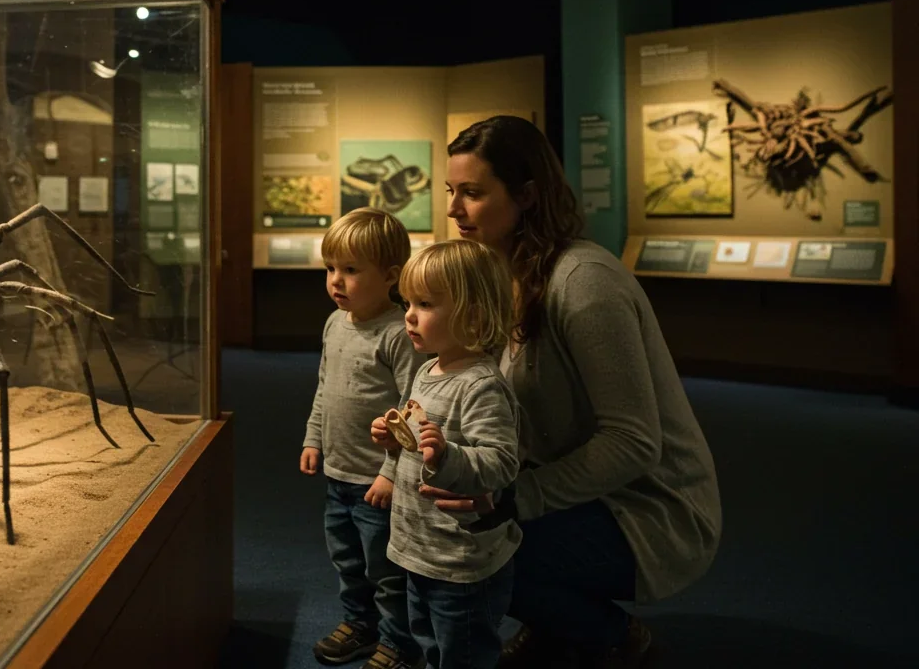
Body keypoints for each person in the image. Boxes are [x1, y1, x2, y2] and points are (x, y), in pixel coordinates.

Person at [422, 115, 722, 669]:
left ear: (528, 194)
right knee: (439, 521)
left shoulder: (584, 283)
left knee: (475, 546)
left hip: (648, 510)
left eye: (472, 193)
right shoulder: (501, 273)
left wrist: (516, 499)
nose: (453, 209)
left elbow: (633, 443)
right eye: (451, 191)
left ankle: (610, 633)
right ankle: (556, 622)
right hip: (578, 492)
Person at [370, 239, 522, 669]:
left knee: (464, 652)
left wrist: (449, 456)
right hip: (421, 547)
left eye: (425, 304)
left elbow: (500, 462)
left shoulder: (481, 386)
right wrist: (391, 441)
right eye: (407, 302)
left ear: (472, 316)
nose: (409, 315)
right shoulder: (427, 368)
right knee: (430, 641)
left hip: (460, 560)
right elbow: (413, 435)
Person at [301, 207, 423, 669]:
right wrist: (314, 439)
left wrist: (391, 472)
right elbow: (324, 387)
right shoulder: (335, 324)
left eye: (351, 270)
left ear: (391, 275)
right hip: (339, 475)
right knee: (348, 563)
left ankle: (398, 644)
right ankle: (360, 625)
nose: (336, 280)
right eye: (330, 268)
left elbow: (412, 410)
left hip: (379, 482)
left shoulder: (399, 333)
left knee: (387, 571)